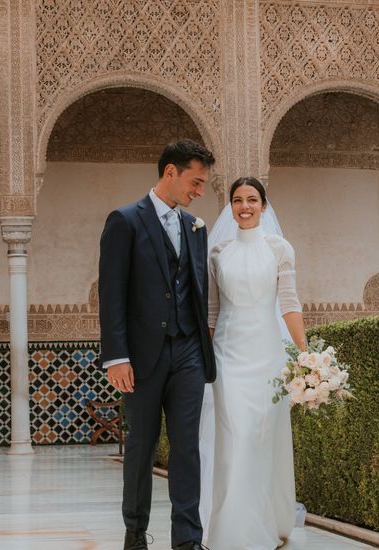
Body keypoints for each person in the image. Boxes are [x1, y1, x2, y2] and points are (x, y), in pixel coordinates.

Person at [98, 139, 216, 550]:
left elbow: (196, 289)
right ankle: (135, 533)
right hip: (142, 356)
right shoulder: (125, 220)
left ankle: (187, 539)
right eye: (196, 182)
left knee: (187, 449)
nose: (200, 192)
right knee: (141, 448)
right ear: (171, 172)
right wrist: (116, 356)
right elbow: (111, 293)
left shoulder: (195, 228)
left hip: (188, 353)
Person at [201, 176, 306, 549]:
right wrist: (202, 359)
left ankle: (269, 518)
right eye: (237, 200)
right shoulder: (217, 254)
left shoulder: (280, 249)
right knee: (236, 437)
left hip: (267, 356)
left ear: (263, 204)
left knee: (261, 438)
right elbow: (212, 312)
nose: (244, 206)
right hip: (227, 356)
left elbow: (290, 305)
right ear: (230, 206)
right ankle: (232, 525)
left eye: (251, 199)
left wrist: (306, 354)